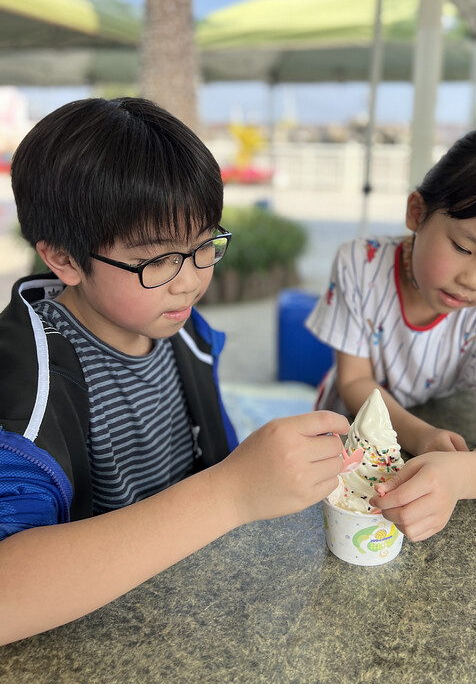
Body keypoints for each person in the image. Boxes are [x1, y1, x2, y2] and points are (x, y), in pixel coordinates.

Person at [0, 97, 348, 645]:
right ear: (64, 258)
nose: (190, 281)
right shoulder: (24, 388)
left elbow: (213, 451)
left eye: (205, 244)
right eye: (157, 259)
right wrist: (232, 492)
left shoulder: (183, 331)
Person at [306, 124, 476, 544]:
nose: (474, 280)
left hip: (431, 446)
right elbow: (355, 381)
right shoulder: (361, 264)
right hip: (346, 438)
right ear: (416, 212)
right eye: (464, 248)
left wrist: (459, 477)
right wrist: (420, 435)